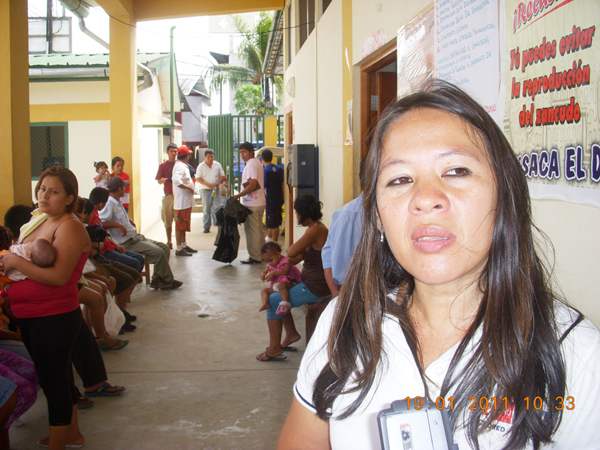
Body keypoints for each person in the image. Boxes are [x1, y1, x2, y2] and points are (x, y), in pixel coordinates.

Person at [277, 81, 600, 449]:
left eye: (457, 171)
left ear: (504, 192)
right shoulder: (343, 324)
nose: (426, 199)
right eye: (399, 179)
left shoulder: (577, 356)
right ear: (378, 216)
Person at [0, 166, 90, 449]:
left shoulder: (70, 227)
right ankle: (70, 434)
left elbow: (59, 277)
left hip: (54, 317)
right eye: (41, 189)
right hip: (31, 316)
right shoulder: (39, 221)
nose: (44, 195)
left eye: (53, 192)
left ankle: (59, 444)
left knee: (54, 384)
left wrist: (15, 263)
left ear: (69, 198)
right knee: (60, 377)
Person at [257, 194, 330, 362]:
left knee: (274, 300)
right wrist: (272, 268)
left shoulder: (317, 230)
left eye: (297, 213)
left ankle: (275, 348)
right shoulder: (315, 229)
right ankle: (290, 334)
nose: (296, 217)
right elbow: (295, 258)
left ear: (304, 213)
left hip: (316, 287)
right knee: (279, 295)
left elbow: (290, 252)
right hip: (311, 283)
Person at [99, 177, 182, 290]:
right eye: (124, 187)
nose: (125, 189)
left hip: (136, 237)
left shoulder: (118, 203)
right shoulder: (109, 204)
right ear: (119, 189)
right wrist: (118, 226)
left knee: (164, 248)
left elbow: (119, 219)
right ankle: (168, 280)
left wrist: (129, 221)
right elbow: (101, 223)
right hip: (128, 243)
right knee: (158, 252)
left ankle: (158, 279)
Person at [88, 187, 145, 273]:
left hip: (111, 246)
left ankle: (131, 280)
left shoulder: (95, 213)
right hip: (104, 251)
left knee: (140, 259)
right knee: (135, 263)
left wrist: (116, 245)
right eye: (105, 203)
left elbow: (105, 236)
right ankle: (126, 282)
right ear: (100, 204)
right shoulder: (89, 217)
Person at [321, 192, 364, 297]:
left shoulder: (341, 213)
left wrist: (337, 298)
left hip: (346, 293)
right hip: (370, 293)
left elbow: (327, 260)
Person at [232, 142, 266, 264]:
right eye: (240, 152)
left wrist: (237, 195)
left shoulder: (251, 164)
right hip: (257, 202)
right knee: (258, 230)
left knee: (252, 232)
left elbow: (252, 184)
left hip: (253, 203)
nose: (242, 155)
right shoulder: (256, 163)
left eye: (244, 152)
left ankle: (255, 256)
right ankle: (262, 254)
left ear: (251, 152)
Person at [259, 242, 302, 316]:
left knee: (281, 286)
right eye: (268, 261)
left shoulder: (286, 261)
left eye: (271, 260)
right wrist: (263, 274)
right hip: (277, 285)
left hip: (288, 283)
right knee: (264, 290)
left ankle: (285, 304)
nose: (270, 263)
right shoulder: (271, 264)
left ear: (278, 254)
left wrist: (273, 273)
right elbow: (265, 270)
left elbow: (285, 272)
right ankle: (265, 303)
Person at [171, 146, 197, 256]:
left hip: (185, 201)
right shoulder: (180, 167)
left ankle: (184, 244)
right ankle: (179, 248)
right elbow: (176, 180)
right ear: (186, 156)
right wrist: (189, 187)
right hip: (182, 201)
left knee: (184, 224)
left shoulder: (181, 165)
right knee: (180, 225)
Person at [195, 149, 226, 234]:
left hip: (216, 190)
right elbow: (198, 178)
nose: (210, 158)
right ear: (205, 157)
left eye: (212, 156)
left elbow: (222, 176)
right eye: (208, 157)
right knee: (206, 209)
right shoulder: (201, 166)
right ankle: (206, 226)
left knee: (217, 207)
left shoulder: (217, 165)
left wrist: (217, 183)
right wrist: (207, 184)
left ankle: (218, 223)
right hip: (205, 190)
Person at [155, 143, 178, 249]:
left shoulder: (180, 164)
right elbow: (159, 180)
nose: (173, 153)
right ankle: (169, 241)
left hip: (179, 195)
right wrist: (161, 180)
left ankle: (180, 242)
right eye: (171, 151)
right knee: (168, 220)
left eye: (175, 151)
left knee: (179, 220)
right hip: (168, 196)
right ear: (167, 152)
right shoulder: (163, 166)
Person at [262, 149, 285, 244]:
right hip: (279, 198)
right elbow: (283, 184)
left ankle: (274, 242)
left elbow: (263, 186)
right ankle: (268, 237)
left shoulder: (265, 171)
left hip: (270, 199)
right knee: (272, 220)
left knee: (274, 222)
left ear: (262, 159)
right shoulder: (279, 169)